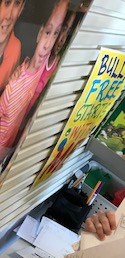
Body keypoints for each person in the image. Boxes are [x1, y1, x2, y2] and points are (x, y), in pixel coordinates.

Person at [0, 0, 68, 161]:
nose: (49, 44)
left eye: (56, 33)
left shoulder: (17, 50)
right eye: (47, 33)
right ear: (39, 32)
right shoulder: (15, 82)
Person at [0, 0, 25, 93]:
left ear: (21, 8)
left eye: (17, 3)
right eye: (7, 3)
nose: (9, 16)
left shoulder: (16, 47)